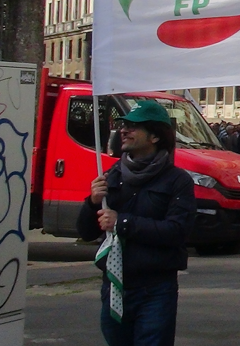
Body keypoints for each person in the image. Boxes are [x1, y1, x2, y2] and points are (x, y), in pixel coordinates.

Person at [78, 100, 196, 346]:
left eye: (134, 127)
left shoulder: (177, 180)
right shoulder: (111, 175)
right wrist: (92, 202)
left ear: (155, 136)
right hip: (115, 286)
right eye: (124, 125)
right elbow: (86, 232)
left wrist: (122, 222)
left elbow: (177, 231)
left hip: (155, 289)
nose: (124, 131)